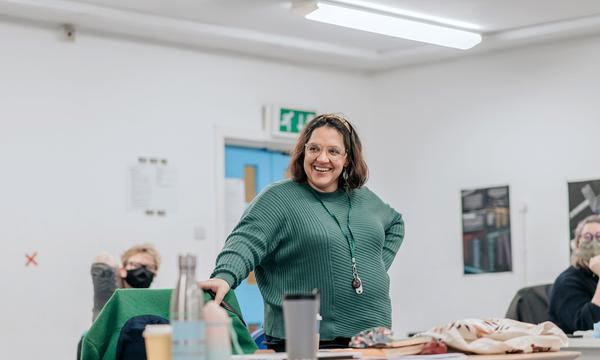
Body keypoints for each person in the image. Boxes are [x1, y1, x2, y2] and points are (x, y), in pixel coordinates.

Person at [201, 113, 405, 350]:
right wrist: (224, 276)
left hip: (375, 334)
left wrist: (375, 266)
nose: (322, 158)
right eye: (314, 148)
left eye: (333, 151)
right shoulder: (279, 198)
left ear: (348, 158)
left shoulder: (363, 198)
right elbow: (245, 242)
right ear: (303, 152)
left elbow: (396, 224)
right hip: (310, 339)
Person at [549, 214, 600, 333]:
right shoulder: (567, 282)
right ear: (577, 244)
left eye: (599, 236)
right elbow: (586, 327)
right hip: (580, 348)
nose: (594, 242)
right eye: (587, 237)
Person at [91, 243, 161, 320]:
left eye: (149, 267)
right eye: (136, 265)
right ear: (123, 270)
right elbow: (103, 260)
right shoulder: (110, 298)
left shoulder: (156, 306)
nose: (143, 271)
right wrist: (118, 275)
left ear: (155, 274)